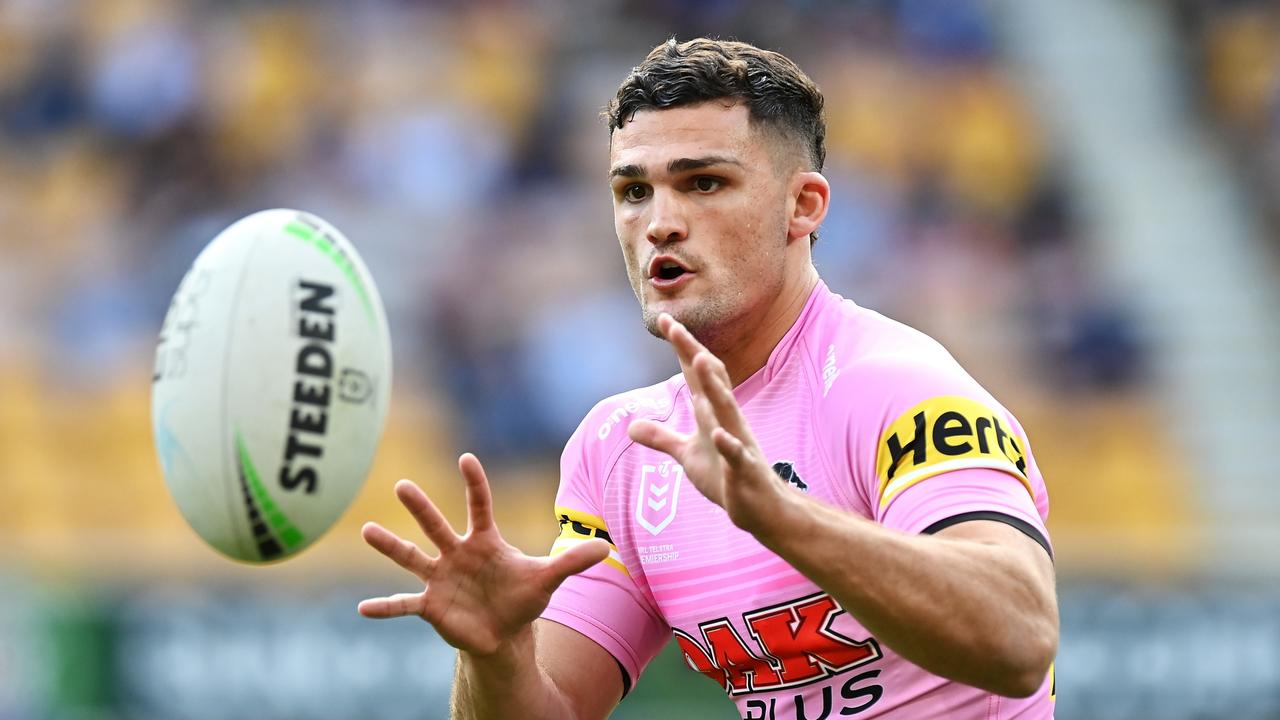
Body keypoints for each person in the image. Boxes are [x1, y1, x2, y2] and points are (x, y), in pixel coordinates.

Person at [358, 37, 1058, 719]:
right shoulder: (624, 450)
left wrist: (783, 517)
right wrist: (497, 651)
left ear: (803, 205)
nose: (659, 223)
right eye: (634, 191)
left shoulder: (894, 387)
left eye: (703, 183)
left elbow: (1020, 636)